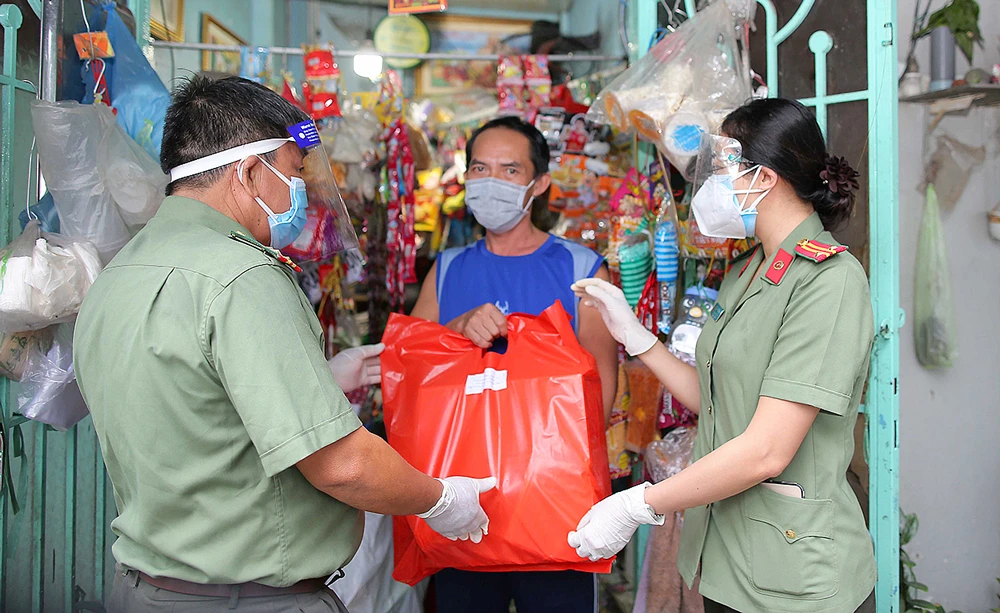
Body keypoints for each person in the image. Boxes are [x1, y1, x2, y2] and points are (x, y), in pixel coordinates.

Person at [74, 76, 494, 613]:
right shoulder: (243, 276)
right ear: (249, 173)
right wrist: (441, 500)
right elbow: (343, 465)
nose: (300, 194)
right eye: (294, 174)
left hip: (146, 589)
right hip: (246, 599)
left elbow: (190, 406)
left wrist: (318, 377)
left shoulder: (121, 271)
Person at [567, 98, 877, 613]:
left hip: (794, 572)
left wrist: (637, 504)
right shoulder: (747, 270)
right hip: (727, 558)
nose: (708, 185)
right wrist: (637, 336)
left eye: (721, 168)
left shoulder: (829, 282)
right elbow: (711, 398)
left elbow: (766, 450)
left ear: (765, 176)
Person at [409, 115, 619, 613]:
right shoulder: (448, 268)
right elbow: (410, 365)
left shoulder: (581, 267)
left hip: (552, 505)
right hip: (465, 504)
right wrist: (455, 329)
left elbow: (601, 386)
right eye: (479, 167)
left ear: (538, 183)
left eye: (509, 169)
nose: (490, 181)